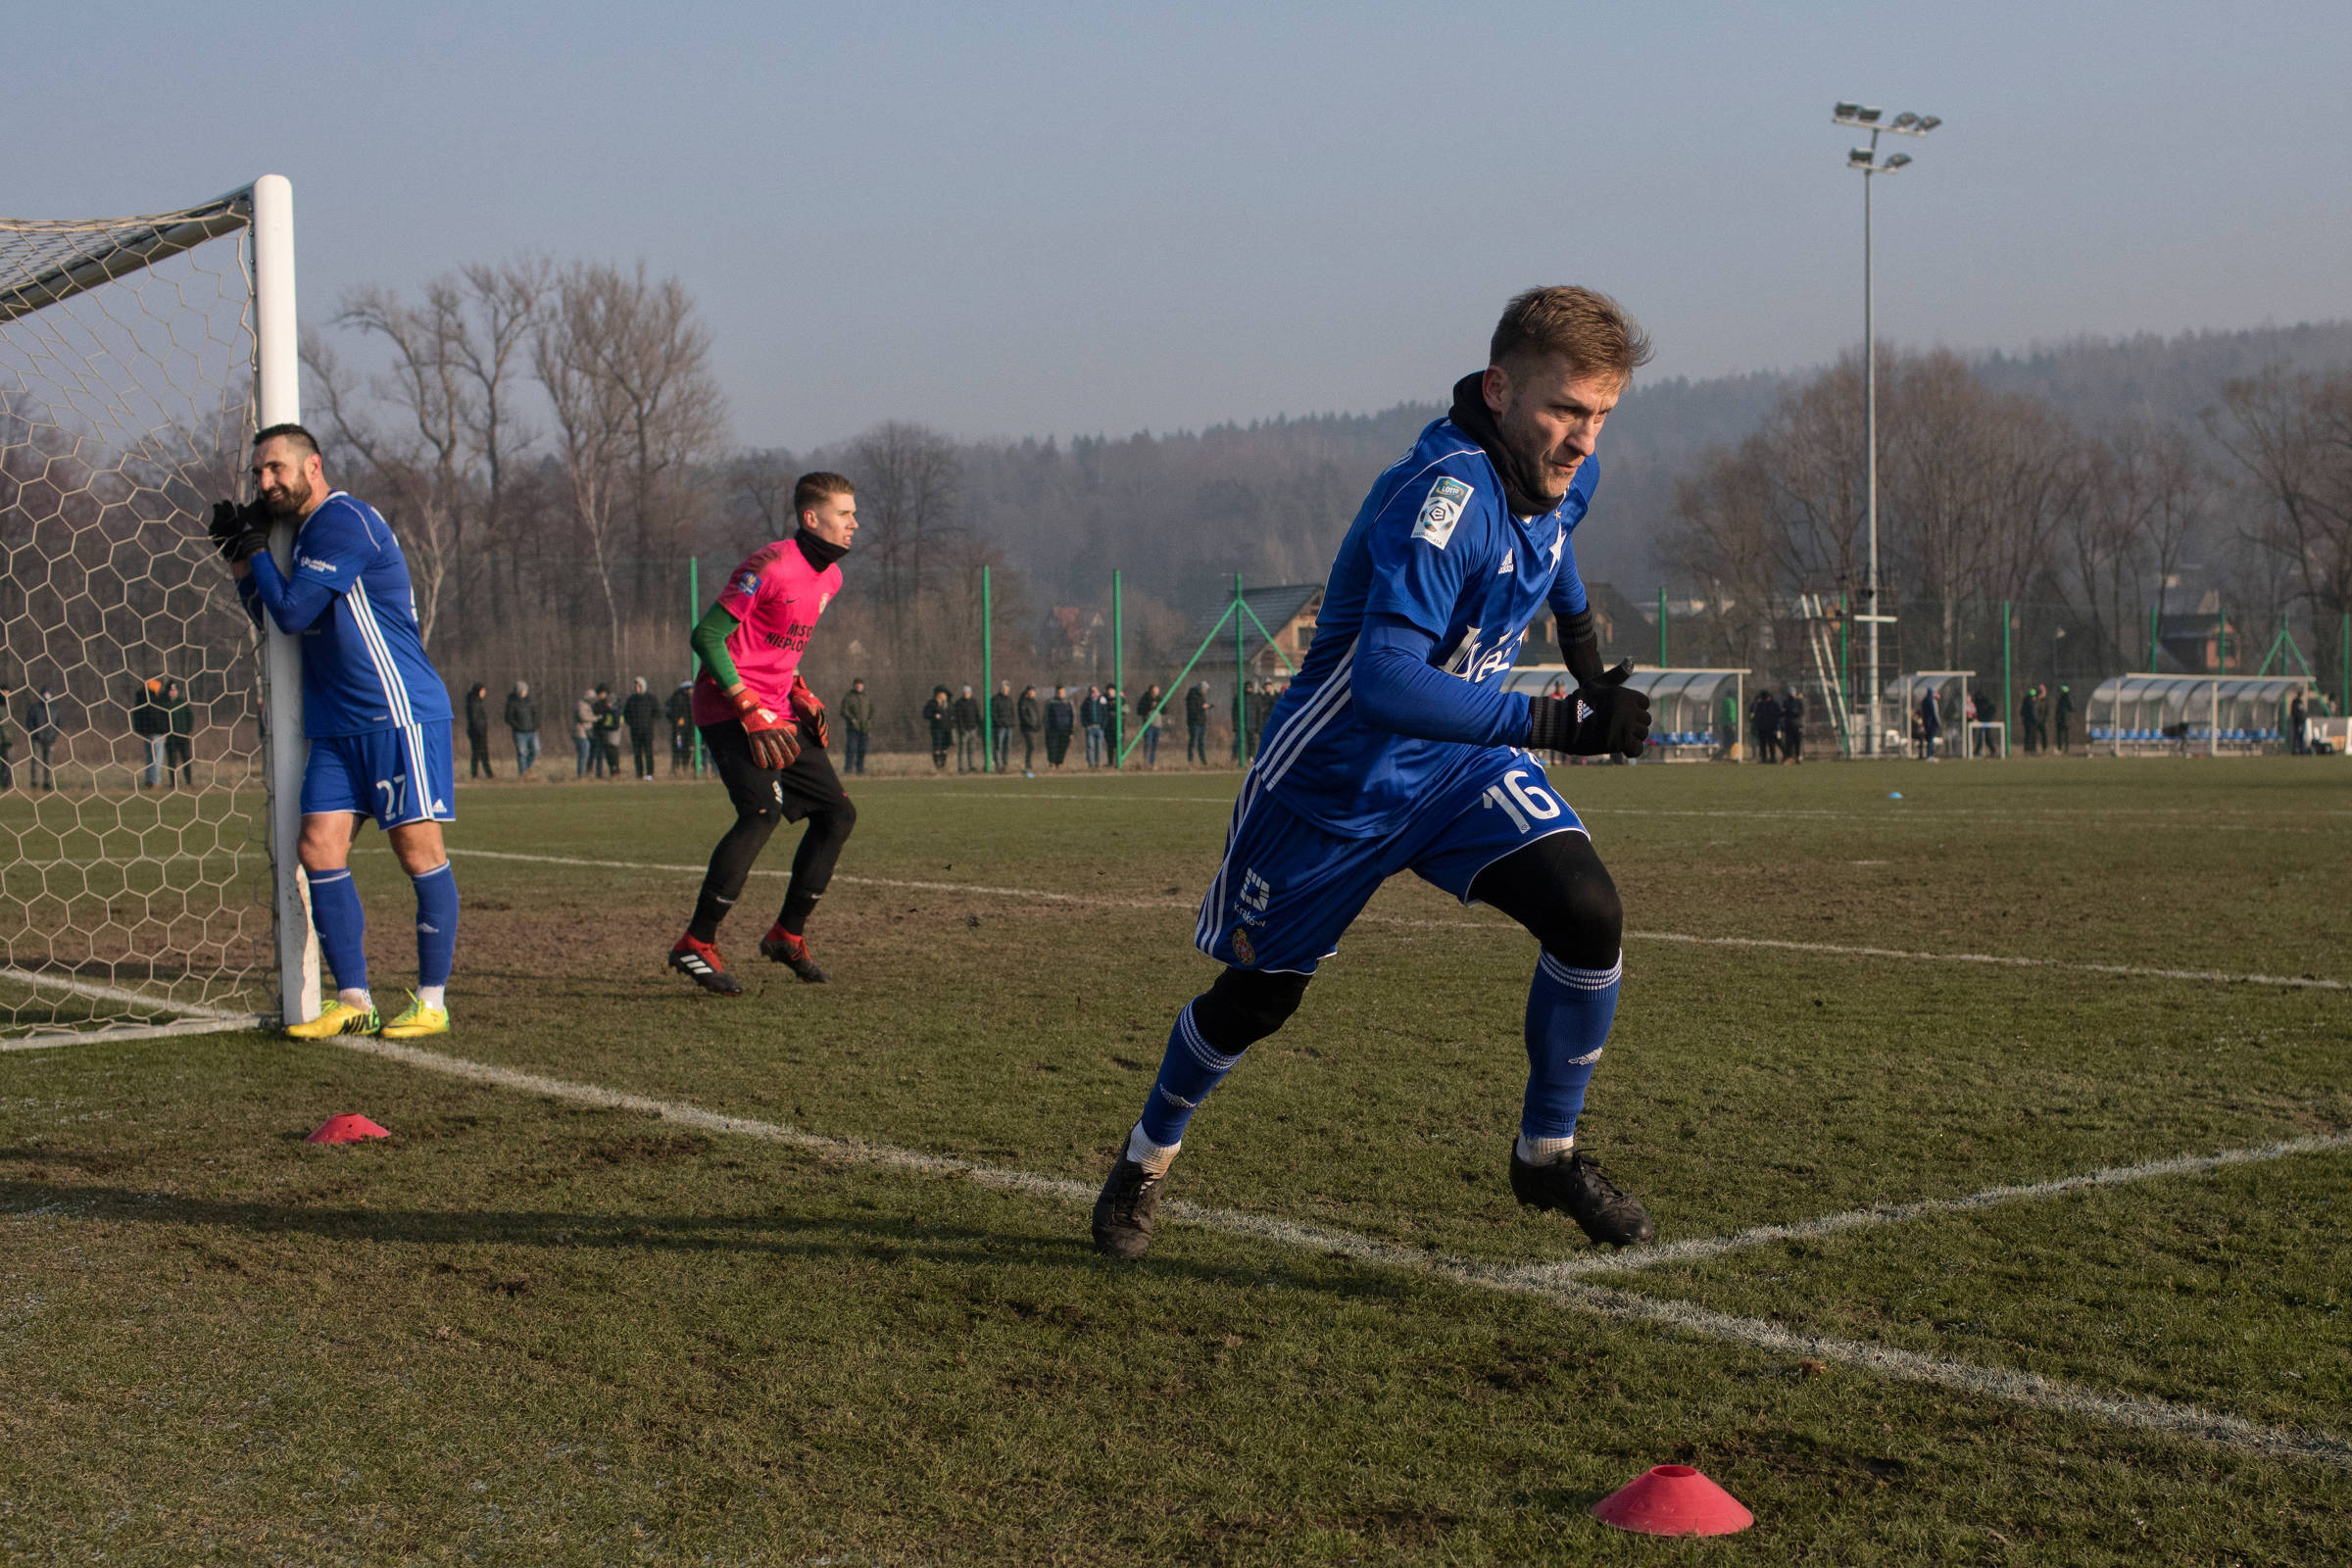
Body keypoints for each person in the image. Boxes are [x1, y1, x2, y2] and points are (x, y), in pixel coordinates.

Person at [1091, 285, 1658, 1260]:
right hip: (1335, 785)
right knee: (1257, 1002)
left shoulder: (1561, 476)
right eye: (1566, 409)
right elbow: (1387, 682)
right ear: (1500, 388)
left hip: (1457, 770)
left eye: (1601, 415)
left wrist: (1585, 654)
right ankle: (1146, 1155)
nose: (1582, 439)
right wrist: (1556, 720)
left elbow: (1558, 552)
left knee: (1588, 912)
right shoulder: (1442, 499)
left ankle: (1546, 1151)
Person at [213, 422, 458, 1040]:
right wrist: (244, 559)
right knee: (318, 847)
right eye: (258, 474)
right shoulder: (299, 536)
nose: (266, 482)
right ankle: (354, 998)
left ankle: (432, 1001)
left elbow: (293, 613)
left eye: (277, 469)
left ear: (312, 466)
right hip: (336, 724)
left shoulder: (343, 522)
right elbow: (271, 615)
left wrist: (262, 552)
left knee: (417, 852)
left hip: (395, 712)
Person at [667, 471, 859, 993]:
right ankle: (696, 942)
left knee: (837, 813)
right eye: (844, 514)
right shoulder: (770, 565)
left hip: (776, 710)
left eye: (853, 514)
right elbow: (707, 636)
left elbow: (773, 645)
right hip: (728, 707)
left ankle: (785, 936)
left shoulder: (830, 580)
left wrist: (799, 688)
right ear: (811, 518)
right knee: (760, 812)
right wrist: (748, 706)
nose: (854, 524)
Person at [132, 676, 169, 789]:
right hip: (156, 733)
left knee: (150, 758)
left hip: (145, 733)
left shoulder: (140, 699)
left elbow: (136, 717)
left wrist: (140, 731)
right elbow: (157, 718)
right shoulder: (153, 701)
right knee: (157, 758)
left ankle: (149, 780)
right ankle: (155, 781)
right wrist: (164, 731)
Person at [623, 676, 662, 780]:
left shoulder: (651, 699)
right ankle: (639, 774)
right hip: (635, 731)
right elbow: (626, 714)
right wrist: (631, 723)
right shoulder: (631, 700)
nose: (636, 688)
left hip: (647, 731)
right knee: (637, 753)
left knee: (648, 752)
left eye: (638, 686)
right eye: (635, 686)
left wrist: (650, 722)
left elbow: (658, 712)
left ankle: (650, 774)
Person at [25, 686, 58, 790]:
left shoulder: (55, 709)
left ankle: (47, 783)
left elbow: (58, 724)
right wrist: (35, 733)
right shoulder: (35, 708)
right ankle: (34, 782)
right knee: (35, 761)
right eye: (45, 693)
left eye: (48, 693)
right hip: (36, 739)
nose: (47, 695)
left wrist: (53, 735)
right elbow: (29, 722)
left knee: (48, 762)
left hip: (50, 739)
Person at [505, 681, 539, 777]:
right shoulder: (512, 702)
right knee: (522, 753)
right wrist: (517, 726)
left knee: (535, 750)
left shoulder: (530, 701)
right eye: (523, 690)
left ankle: (526, 768)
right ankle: (523, 774)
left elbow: (535, 714)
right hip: (519, 732)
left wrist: (535, 725)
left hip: (532, 731)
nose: (524, 692)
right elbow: (508, 718)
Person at [839, 679, 870, 775]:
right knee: (851, 748)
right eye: (857, 685)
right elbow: (843, 711)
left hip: (864, 728)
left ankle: (860, 769)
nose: (859, 687)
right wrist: (851, 719)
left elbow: (872, 710)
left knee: (862, 749)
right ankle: (848, 769)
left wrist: (869, 721)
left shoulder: (866, 697)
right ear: (854, 686)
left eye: (860, 685)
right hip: (852, 728)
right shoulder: (848, 697)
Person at [465, 681, 494, 779]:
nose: (484, 693)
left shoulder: (476, 701)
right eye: (482, 691)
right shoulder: (474, 702)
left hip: (479, 731)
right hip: (477, 732)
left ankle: (478, 773)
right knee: (480, 753)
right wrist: (479, 730)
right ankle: (486, 774)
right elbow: (475, 718)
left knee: (478, 753)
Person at [592, 684, 623, 777]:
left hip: (610, 734)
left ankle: (614, 771)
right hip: (601, 733)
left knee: (611, 753)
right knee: (604, 755)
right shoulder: (598, 705)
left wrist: (605, 726)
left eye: (603, 693)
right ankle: (602, 773)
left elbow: (615, 722)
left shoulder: (613, 709)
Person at [666, 680, 696, 774]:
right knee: (680, 747)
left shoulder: (687, 699)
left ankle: (681, 767)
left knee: (684, 748)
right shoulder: (679, 699)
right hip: (680, 730)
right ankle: (679, 767)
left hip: (685, 730)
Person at [953, 684, 983, 773]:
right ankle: (961, 767)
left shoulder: (974, 702)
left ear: (970, 693)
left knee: (972, 749)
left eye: (968, 692)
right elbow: (958, 717)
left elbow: (977, 715)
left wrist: (980, 727)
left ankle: (972, 766)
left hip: (973, 729)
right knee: (962, 750)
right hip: (964, 730)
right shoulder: (959, 703)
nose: (966, 694)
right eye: (965, 692)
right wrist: (961, 728)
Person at [1044, 684, 1075, 768]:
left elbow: (1073, 716)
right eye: (1059, 692)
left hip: (1065, 728)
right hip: (1053, 729)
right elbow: (1046, 716)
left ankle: (1059, 763)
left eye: (1062, 692)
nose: (1061, 694)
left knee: (1063, 746)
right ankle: (1052, 762)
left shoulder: (1068, 703)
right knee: (1052, 746)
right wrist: (1047, 728)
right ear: (1056, 693)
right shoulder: (1050, 702)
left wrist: (1072, 730)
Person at [922, 685, 953, 771]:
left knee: (945, 747)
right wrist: (934, 716)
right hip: (936, 729)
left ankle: (943, 765)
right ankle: (937, 765)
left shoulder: (949, 704)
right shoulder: (932, 703)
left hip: (947, 729)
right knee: (937, 747)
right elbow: (925, 714)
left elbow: (953, 713)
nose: (944, 696)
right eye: (942, 694)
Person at [1748, 687, 1781, 764]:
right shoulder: (1761, 705)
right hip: (1765, 727)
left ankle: (1770, 758)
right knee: (1765, 744)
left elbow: (1777, 716)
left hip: (1768, 727)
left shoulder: (1770, 704)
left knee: (1770, 743)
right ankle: (1765, 758)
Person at [989, 680, 1015, 773]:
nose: (1005, 690)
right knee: (998, 746)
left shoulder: (1009, 700)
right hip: (1000, 727)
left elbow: (1012, 713)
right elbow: (993, 713)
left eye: (1007, 689)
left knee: (1007, 746)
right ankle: (997, 764)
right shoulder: (995, 699)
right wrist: (999, 723)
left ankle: (1005, 764)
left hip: (1009, 727)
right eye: (1004, 689)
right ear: (1001, 689)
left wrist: (1012, 723)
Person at [1136, 683, 1164, 768]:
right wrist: (1149, 706)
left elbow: (1165, 710)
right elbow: (1139, 711)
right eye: (1154, 691)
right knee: (1148, 743)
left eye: (1157, 691)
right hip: (1148, 725)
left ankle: (1152, 763)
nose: (1156, 693)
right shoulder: (1145, 698)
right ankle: (1146, 762)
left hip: (1157, 725)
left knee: (1154, 745)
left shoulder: (1159, 699)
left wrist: (1158, 705)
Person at [1017, 683, 1041, 775]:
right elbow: (1024, 716)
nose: (1032, 693)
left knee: (1032, 746)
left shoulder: (1034, 702)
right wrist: (1030, 724)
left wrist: (1038, 724)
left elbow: (1037, 714)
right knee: (1031, 745)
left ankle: (1028, 763)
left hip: (1034, 727)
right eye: (1031, 691)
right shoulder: (1023, 702)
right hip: (1027, 728)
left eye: (1033, 692)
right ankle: (1028, 763)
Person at [1080, 684, 1106, 767]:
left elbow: (1105, 713)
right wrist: (1085, 724)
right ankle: (1090, 763)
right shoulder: (1086, 701)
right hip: (1090, 727)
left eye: (1095, 690)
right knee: (1090, 746)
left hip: (1099, 727)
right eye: (1092, 691)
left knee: (1099, 746)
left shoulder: (1101, 700)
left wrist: (1103, 725)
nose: (1093, 692)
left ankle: (1097, 762)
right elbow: (1082, 714)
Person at [572, 689, 596, 778]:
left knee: (584, 754)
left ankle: (582, 773)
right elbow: (583, 717)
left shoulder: (586, 705)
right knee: (584, 754)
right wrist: (595, 718)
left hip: (583, 733)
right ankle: (581, 775)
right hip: (580, 733)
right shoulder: (581, 705)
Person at [1185, 680, 1210, 764]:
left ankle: (1203, 760)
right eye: (1204, 690)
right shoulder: (1191, 696)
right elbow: (1192, 709)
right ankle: (1190, 759)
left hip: (1202, 722)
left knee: (1201, 742)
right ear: (1201, 689)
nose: (1205, 692)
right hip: (1194, 722)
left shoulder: (1202, 696)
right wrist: (1202, 707)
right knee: (1193, 740)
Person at [1779, 687, 1803, 763]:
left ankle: (1798, 756)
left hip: (1797, 725)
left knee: (1798, 742)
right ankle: (1789, 757)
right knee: (1789, 742)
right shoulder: (1786, 702)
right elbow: (1783, 712)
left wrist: (1791, 711)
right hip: (1788, 725)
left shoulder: (1798, 702)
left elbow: (1801, 712)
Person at [1919, 684, 1941, 760]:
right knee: (1931, 738)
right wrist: (1938, 722)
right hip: (1932, 722)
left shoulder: (1924, 700)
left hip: (1926, 722)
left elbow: (1922, 712)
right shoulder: (1931, 700)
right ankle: (1930, 755)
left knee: (1928, 738)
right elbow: (1934, 712)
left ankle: (1928, 754)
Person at [2018, 685, 2039, 756]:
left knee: (2028, 735)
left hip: (2026, 721)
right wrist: (2035, 719)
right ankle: (2031, 750)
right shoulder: (2030, 701)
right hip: (2031, 721)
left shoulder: (2026, 700)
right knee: (2031, 735)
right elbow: (2032, 712)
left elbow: (2022, 712)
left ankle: (2028, 749)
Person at [2054, 683, 2074, 754]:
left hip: (2064, 719)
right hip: (2064, 719)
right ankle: (2064, 748)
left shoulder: (2065, 698)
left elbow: (2071, 708)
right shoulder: (2067, 698)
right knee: (2064, 735)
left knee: (2063, 735)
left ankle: (2063, 748)